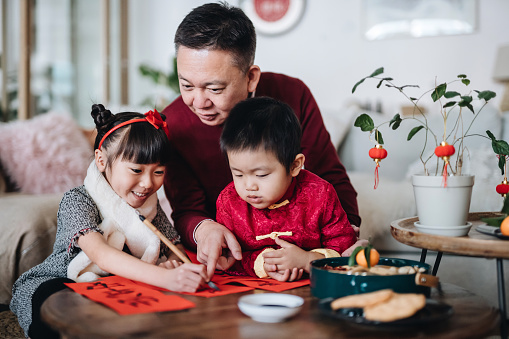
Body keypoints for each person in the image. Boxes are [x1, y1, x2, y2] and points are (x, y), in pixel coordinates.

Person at [162, 2, 362, 279]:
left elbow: (328, 174)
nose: (198, 102)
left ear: (251, 77)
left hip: (304, 253)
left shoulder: (292, 95)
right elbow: (187, 209)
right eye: (186, 85)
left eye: (215, 88)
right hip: (234, 259)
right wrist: (206, 230)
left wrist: (345, 237)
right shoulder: (173, 123)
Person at [10, 104, 208, 339]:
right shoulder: (78, 199)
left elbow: (173, 247)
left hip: (119, 287)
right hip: (62, 280)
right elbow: (100, 254)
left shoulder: (150, 207)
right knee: (61, 313)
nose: (147, 183)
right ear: (102, 161)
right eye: (136, 170)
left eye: (158, 172)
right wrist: (164, 277)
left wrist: (173, 265)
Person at [217, 97, 357, 281]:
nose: (249, 186)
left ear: (294, 166)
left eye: (261, 175)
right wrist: (263, 264)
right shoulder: (229, 202)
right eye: (238, 174)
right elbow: (227, 258)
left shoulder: (320, 195)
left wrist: (308, 260)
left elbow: (345, 247)